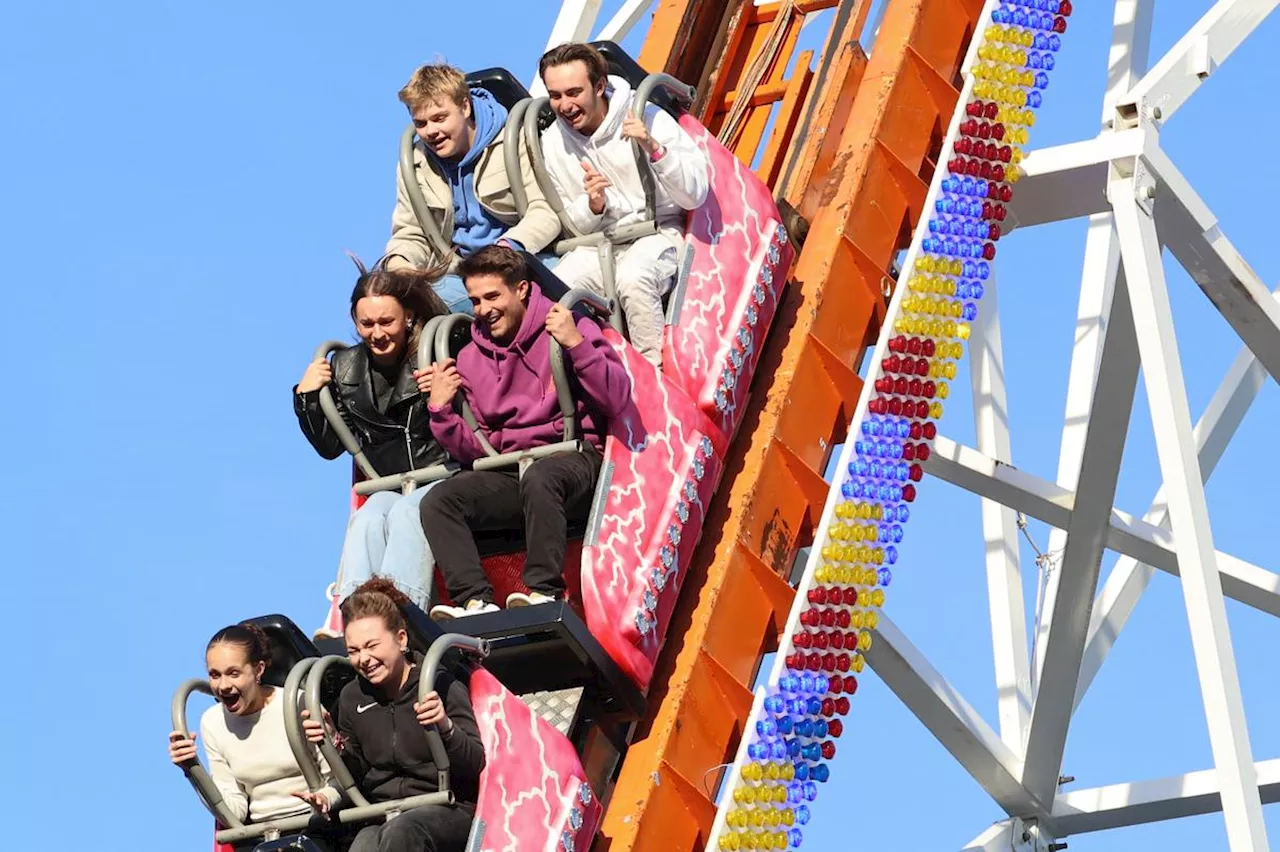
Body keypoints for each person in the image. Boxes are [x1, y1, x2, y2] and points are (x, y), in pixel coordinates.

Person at [415, 245, 631, 619]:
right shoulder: (470, 357)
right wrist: (441, 410)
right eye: (476, 301)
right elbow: (475, 451)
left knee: (542, 477)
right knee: (439, 499)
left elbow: (616, 398)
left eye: (493, 296)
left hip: (574, 459)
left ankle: (546, 590)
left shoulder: (568, 325)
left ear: (523, 290)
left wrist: (576, 346)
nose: (483, 310)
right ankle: (473, 600)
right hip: (512, 470)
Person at [294, 260, 451, 633]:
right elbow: (331, 446)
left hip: (446, 472)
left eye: (386, 322)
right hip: (392, 483)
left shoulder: (440, 350)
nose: (376, 333)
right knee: (368, 517)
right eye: (367, 324)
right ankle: (354, 617)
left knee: (409, 513)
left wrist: (446, 394)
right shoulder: (348, 367)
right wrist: (308, 397)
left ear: (409, 317)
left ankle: (400, 614)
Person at [538, 42, 709, 367]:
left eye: (574, 92)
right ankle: (586, 383)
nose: (565, 105)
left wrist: (654, 148)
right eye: (556, 95)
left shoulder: (644, 113)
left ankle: (655, 377)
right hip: (599, 244)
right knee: (554, 293)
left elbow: (695, 193)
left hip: (658, 232)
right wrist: (594, 205)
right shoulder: (553, 143)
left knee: (634, 278)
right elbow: (572, 224)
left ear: (600, 85)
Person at [303, 579, 484, 852]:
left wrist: (445, 726)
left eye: (372, 645)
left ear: (401, 639)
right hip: (383, 813)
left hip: (448, 806)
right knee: (362, 846)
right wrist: (335, 742)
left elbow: (475, 763)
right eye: (353, 651)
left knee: (403, 831)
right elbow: (359, 774)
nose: (364, 658)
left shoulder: (437, 682)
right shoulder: (352, 697)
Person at [385, 62, 562, 314]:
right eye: (421, 124)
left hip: (524, 261)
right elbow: (412, 232)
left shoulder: (513, 139)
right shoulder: (415, 163)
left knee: (565, 284)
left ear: (465, 106)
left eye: (439, 118)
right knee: (393, 305)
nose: (431, 131)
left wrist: (506, 249)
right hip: (459, 273)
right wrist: (401, 264)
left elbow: (545, 211)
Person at [168, 623, 341, 823]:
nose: (223, 686)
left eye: (233, 673)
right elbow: (234, 811)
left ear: (258, 670)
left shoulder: (298, 703)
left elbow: (338, 783)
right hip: (260, 833)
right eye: (215, 675)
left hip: (317, 823)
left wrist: (323, 799)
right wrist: (193, 770)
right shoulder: (212, 722)